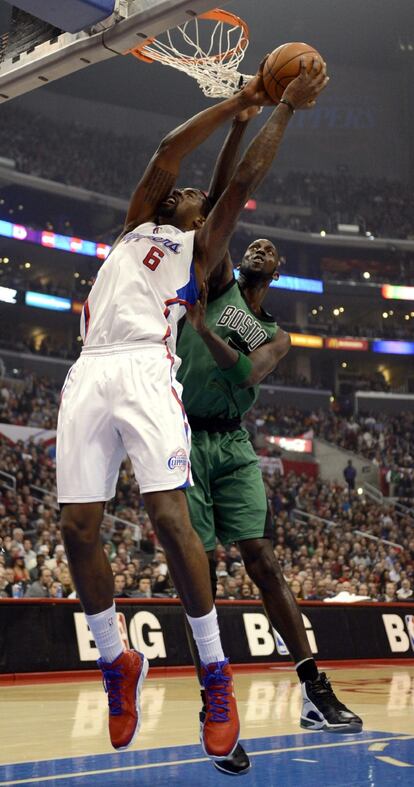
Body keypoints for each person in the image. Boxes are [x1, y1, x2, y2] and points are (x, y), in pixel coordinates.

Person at [56, 57, 328, 758]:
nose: (184, 189)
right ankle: (116, 659)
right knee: (77, 527)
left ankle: (214, 672)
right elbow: (166, 152)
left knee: (170, 517)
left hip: (147, 367)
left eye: (191, 195)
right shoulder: (133, 223)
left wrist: (283, 108)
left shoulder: (200, 248)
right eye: (178, 191)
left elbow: (240, 181)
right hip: (89, 369)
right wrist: (238, 99)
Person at [177, 104, 362, 775]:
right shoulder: (219, 284)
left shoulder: (271, 334)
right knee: (196, 572)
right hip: (185, 439)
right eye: (254, 243)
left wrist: (200, 332)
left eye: (270, 252)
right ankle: (214, 707)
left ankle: (314, 686)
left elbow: (249, 368)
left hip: (231, 445)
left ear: (275, 276)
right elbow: (223, 200)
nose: (258, 248)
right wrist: (235, 127)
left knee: (263, 560)